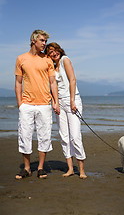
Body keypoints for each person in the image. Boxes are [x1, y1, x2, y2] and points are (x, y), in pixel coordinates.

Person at [15, 30, 60, 179]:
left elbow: (53, 82)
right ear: (33, 40)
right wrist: (20, 104)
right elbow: (18, 82)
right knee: (25, 135)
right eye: (42, 40)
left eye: (45, 41)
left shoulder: (47, 60)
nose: (44, 44)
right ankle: (27, 168)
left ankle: (40, 168)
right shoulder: (21, 59)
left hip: (44, 105)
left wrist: (56, 102)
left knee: (44, 136)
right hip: (27, 105)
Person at [45, 42, 87, 179]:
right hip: (60, 103)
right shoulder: (51, 66)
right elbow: (52, 87)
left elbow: (73, 80)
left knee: (75, 136)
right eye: (50, 52)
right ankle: (70, 169)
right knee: (64, 136)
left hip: (72, 100)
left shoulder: (65, 60)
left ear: (59, 50)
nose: (53, 53)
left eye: (55, 50)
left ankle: (81, 170)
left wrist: (72, 100)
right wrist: (55, 103)